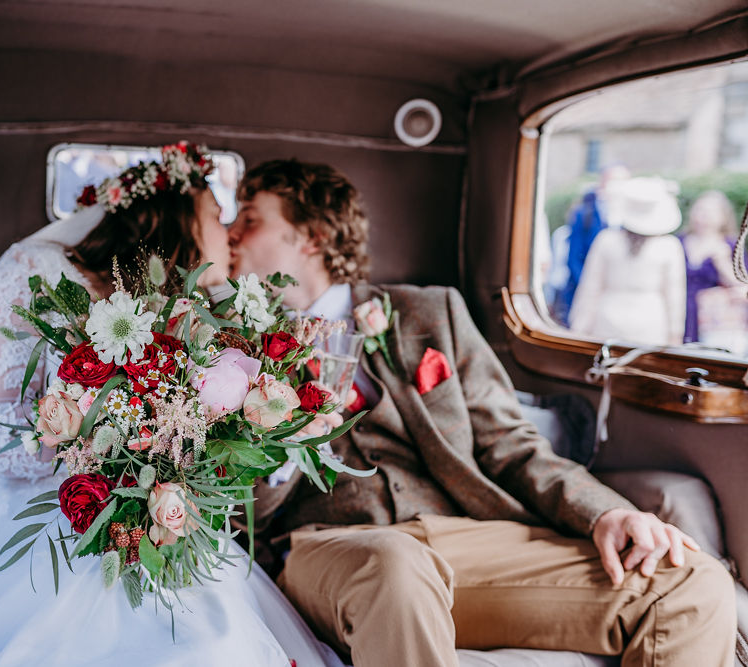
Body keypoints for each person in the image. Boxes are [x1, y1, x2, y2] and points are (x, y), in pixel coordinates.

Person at [227, 158, 736, 666]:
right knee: (395, 564)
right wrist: (288, 445)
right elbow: (241, 509)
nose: (231, 232)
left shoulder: (430, 312)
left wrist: (606, 511)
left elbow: (511, 443)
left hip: (468, 536)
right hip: (329, 547)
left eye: (249, 218)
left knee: (692, 580)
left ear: (312, 237)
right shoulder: (232, 350)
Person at [0, 145, 342, 667]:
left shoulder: (182, 310)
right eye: (219, 215)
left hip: (147, 510)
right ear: (178, 217)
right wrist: (102, 453)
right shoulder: (39, 273)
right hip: (36, 515)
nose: (231, 236)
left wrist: (171, 455)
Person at [569, 177, 686, 346]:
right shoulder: (670, 246)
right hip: (651, 323)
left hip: (608, 321)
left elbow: (590, 288)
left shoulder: (606, 239)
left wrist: (579, 327)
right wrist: (675, 333)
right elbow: (675, 294)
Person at [551, 164, 630, 324]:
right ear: (602, 183)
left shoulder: (630, 216)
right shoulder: (584, 213)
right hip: (584, 287)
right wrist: (588, 288)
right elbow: (573, 256)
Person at [681, 190, 740, 343]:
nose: (703, 216)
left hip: (710, 321)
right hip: (678, 313)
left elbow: (741, 287)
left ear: (723, 217)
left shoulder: (731, 246)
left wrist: (723, 263)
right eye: (700, 210)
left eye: (710, 211)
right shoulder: (677, 242)